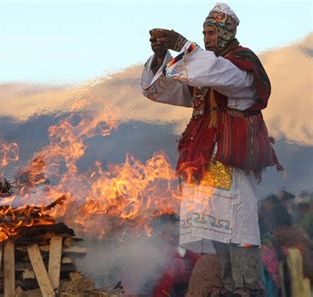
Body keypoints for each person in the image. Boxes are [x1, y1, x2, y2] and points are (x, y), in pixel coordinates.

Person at [141, 3, 281, 296]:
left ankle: (247, 288)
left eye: (210, 32)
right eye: (203, 33)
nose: (206, 38)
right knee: (216, 229)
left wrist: (180, 44)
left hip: (231, 164)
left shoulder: (242, 65)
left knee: (240, 228)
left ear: (226, 32)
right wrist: (160, 57)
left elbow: (217, 73)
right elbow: (169, 87)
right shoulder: (207, 71)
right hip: (204, 164)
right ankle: (230, 286)